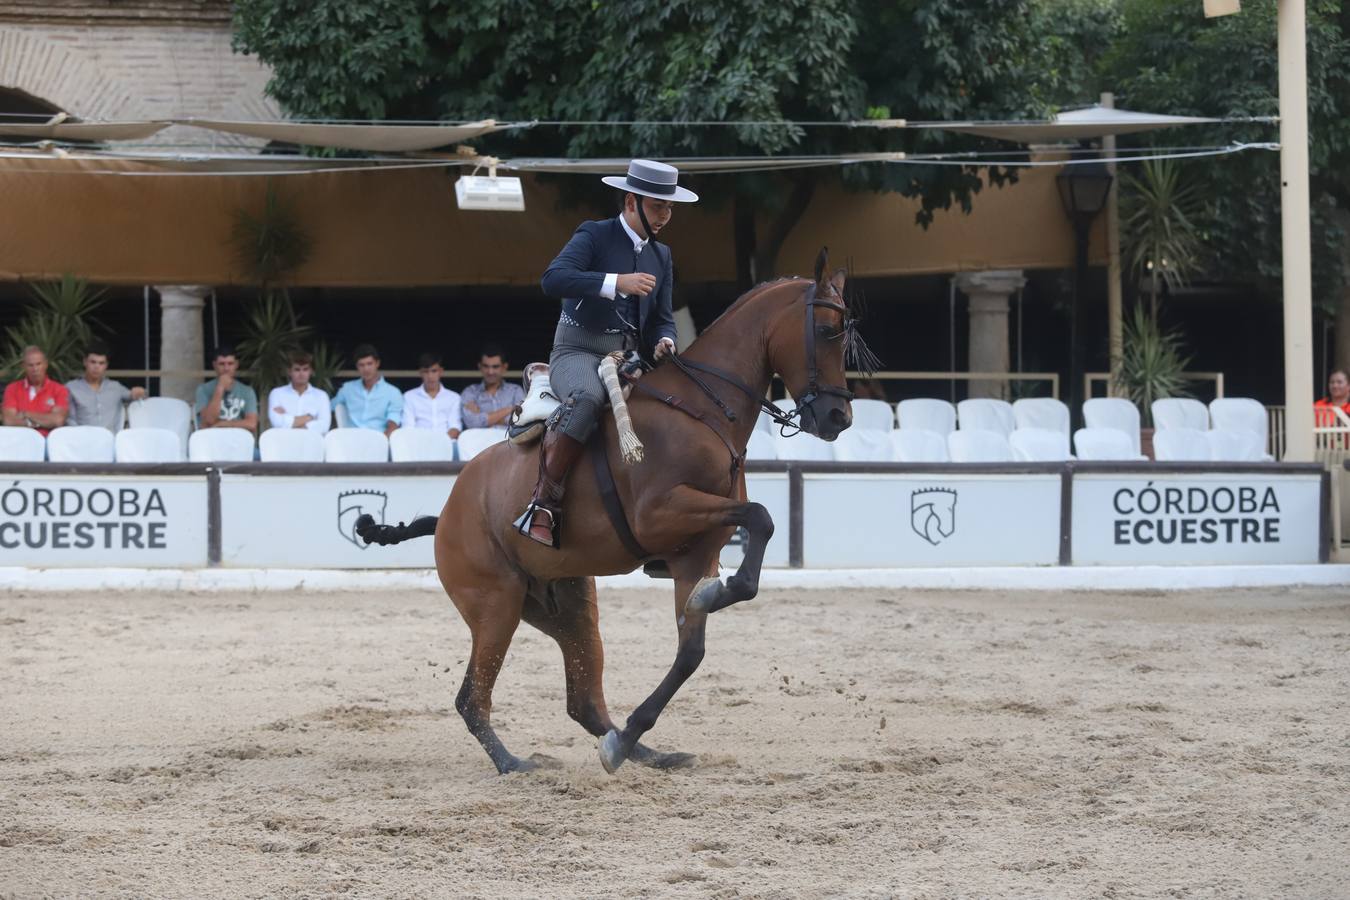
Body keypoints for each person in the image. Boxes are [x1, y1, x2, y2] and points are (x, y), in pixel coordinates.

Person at [515, 159, 698, 548]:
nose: (665, 216)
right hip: (577, 350)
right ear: (631, 202)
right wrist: (617, 282)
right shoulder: (594, 235)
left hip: (631, 357)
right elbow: (553, 279)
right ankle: (542, 504)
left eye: (669, 208)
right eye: (657, 207)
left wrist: (666, 340)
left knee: (677, 409)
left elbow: (662, 319)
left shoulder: (662, 256)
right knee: (586, 400)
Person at [64, 342, 147, 433]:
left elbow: (136, 397)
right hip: (83, 440)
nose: (96, 367)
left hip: (110, 440)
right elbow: (70, 420)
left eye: (101, 363)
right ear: (85, 362)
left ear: (106, 365)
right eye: (93, 362)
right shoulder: (71, 388)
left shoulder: (115, 387)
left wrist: (140, 392)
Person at [333, 344, 402, 435]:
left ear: (377, 363)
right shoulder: (347, 389)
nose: (366, 369)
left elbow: (393, 424)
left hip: (378, 440)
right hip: (351, 441)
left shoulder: (393, 393)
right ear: (357, 367)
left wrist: (381, 443)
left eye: (369, 364)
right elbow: (329, 408)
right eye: (361, 365)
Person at [2, 345, 69, 437]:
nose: (35, 369)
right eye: (31, 365)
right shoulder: (12, 389)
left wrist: (26, 414)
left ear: (46, 364)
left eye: (38, 364)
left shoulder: (59, 389)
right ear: (23, 366)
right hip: (19, 442)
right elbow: (9, 421)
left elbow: (58, 420)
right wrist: (41, 422)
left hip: (48, 444)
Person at [194, 345, 258, 434]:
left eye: (230, 363)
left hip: (239, 440)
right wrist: (220, 387)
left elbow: (252, 424)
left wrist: (223, 424)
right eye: (222, 364)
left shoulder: (247, 391)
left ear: (236, 365)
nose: (226, 368)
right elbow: (208, 421)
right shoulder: (203, 390)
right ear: (214, 365)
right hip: (212, 440)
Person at [460, 344, 524, 431]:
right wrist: (510, 409)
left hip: (509, 442)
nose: (490, 372)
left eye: (495, 367)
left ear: (504, 367)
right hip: (480, 442)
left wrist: (483, 416)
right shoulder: (470, 392)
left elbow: (521, 422)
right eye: (486, 366)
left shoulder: (515, 390)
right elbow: (472, 423)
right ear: (480, 367)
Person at [267, 351, 331, 434]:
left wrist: (287, 419)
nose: (301, 374)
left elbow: (324, 426)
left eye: (305, 369)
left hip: (312, 443)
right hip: (284, 442)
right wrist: (310, 417)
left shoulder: (321, 396)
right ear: (289, 371)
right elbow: (277, 423)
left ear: (310, 371)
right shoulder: (277, 393)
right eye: (297, 370)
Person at [403, 352, 462, 438]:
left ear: (441, 371)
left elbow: (455, 427)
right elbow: (407, 428)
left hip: (447, 446)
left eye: (434, 371)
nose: (430, 376)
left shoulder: (454, 398)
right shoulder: (409, 397)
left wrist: (439, 443)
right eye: (426, 372)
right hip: (418, 446)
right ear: (420, 373)